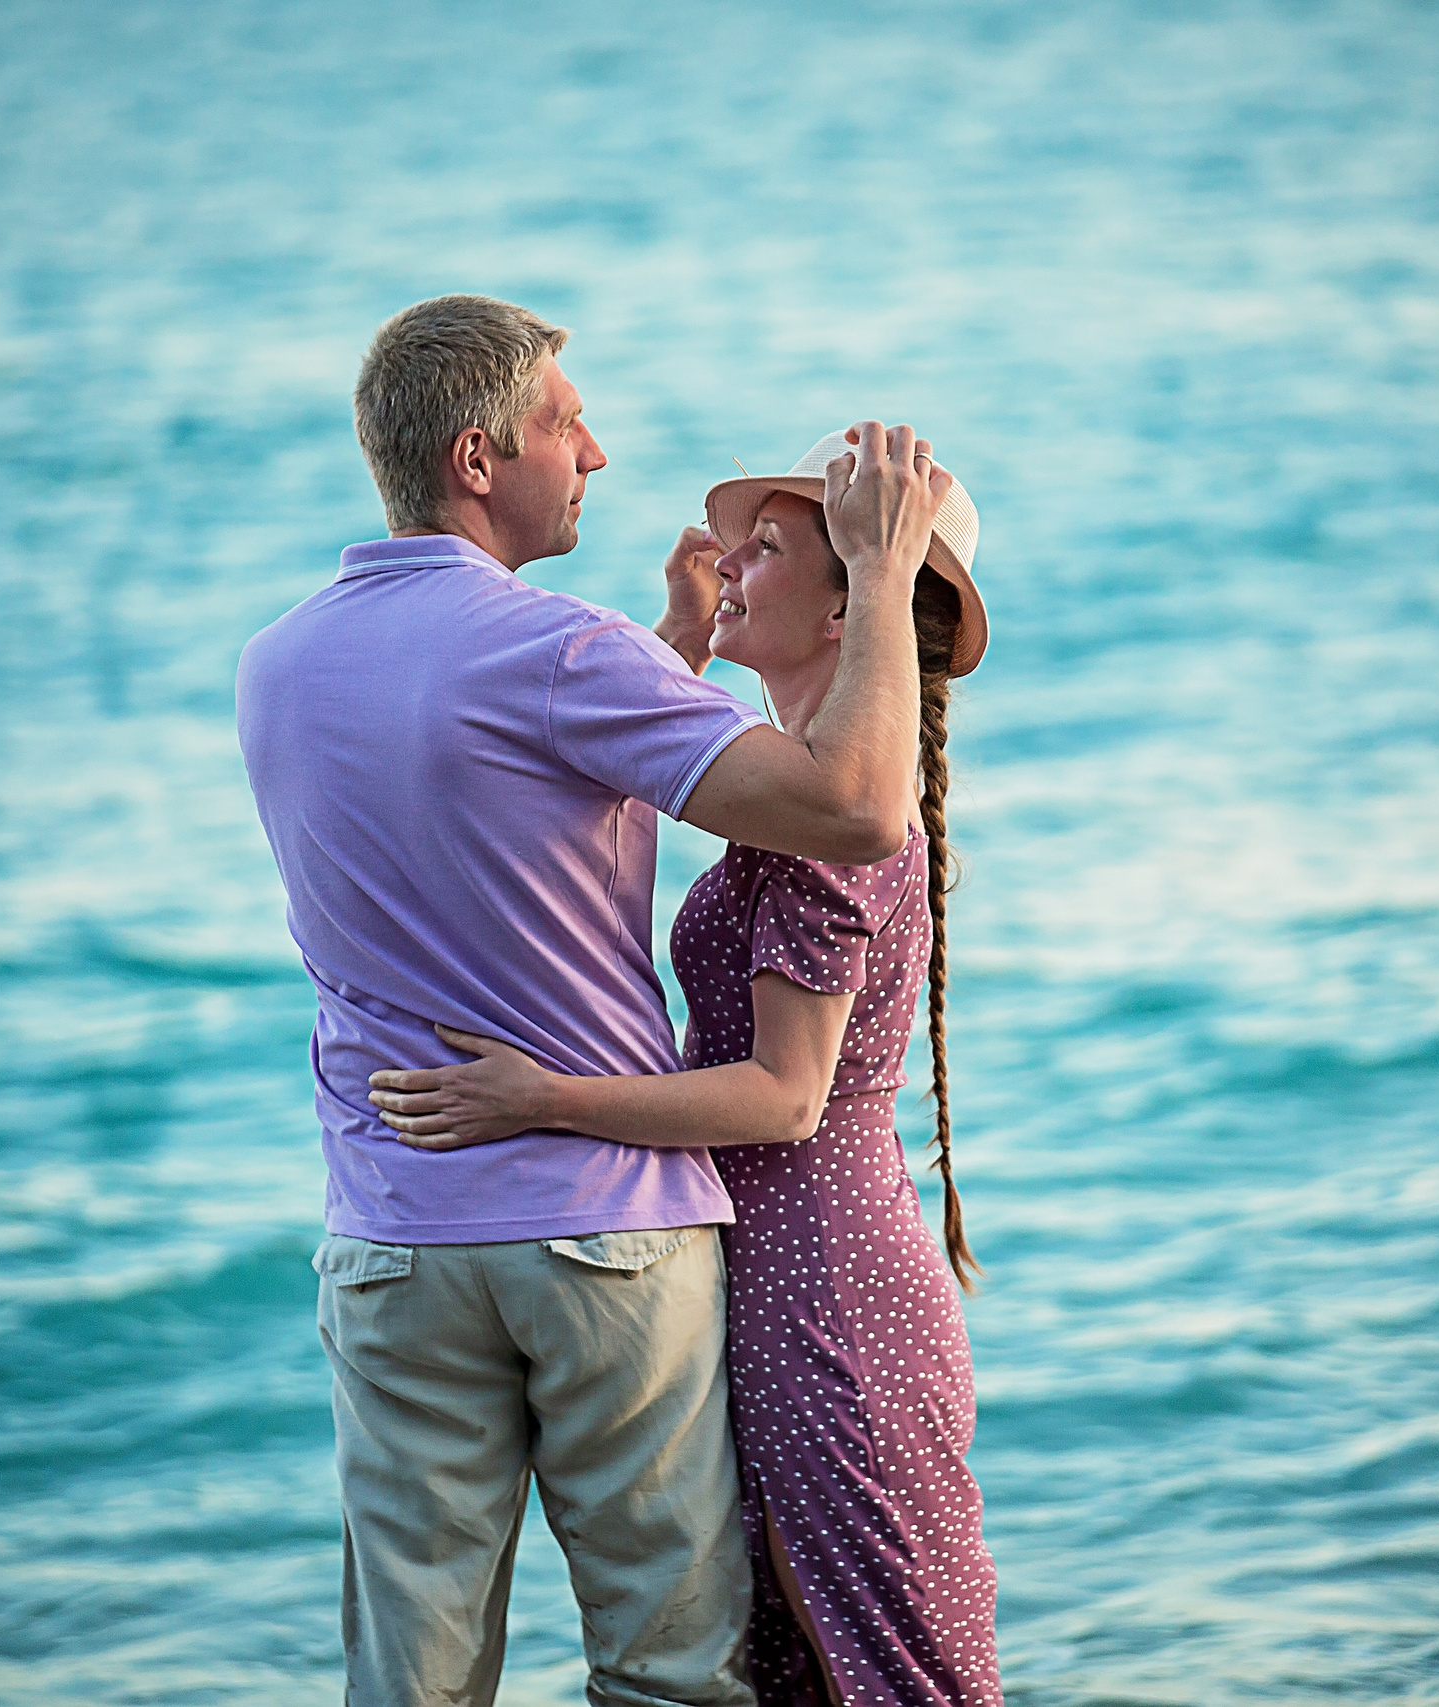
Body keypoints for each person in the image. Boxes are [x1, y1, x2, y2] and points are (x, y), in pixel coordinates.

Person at [234, 294, 951, 1707]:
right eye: (568, 421)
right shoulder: (566, 653)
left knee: (411, 1677)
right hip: (600, 1237)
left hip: (394, 1233)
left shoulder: (276, 664)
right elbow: (858, 808)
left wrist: (671, 649)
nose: (599, 452)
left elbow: (495, 800)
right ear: (480, 457)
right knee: (669, 1666)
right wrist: (874, 576)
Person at [367, 432, 1000, 1707]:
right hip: (779, 1279)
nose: (733, 562)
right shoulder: (798, 797)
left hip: (825, 1303)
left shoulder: (830, 830)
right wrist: (684, 637)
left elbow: (784, 1098)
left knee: (876, 1661)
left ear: (850, 601)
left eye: (770, 550)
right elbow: (600, 794)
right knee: (793, 1659)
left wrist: (537, 1099)